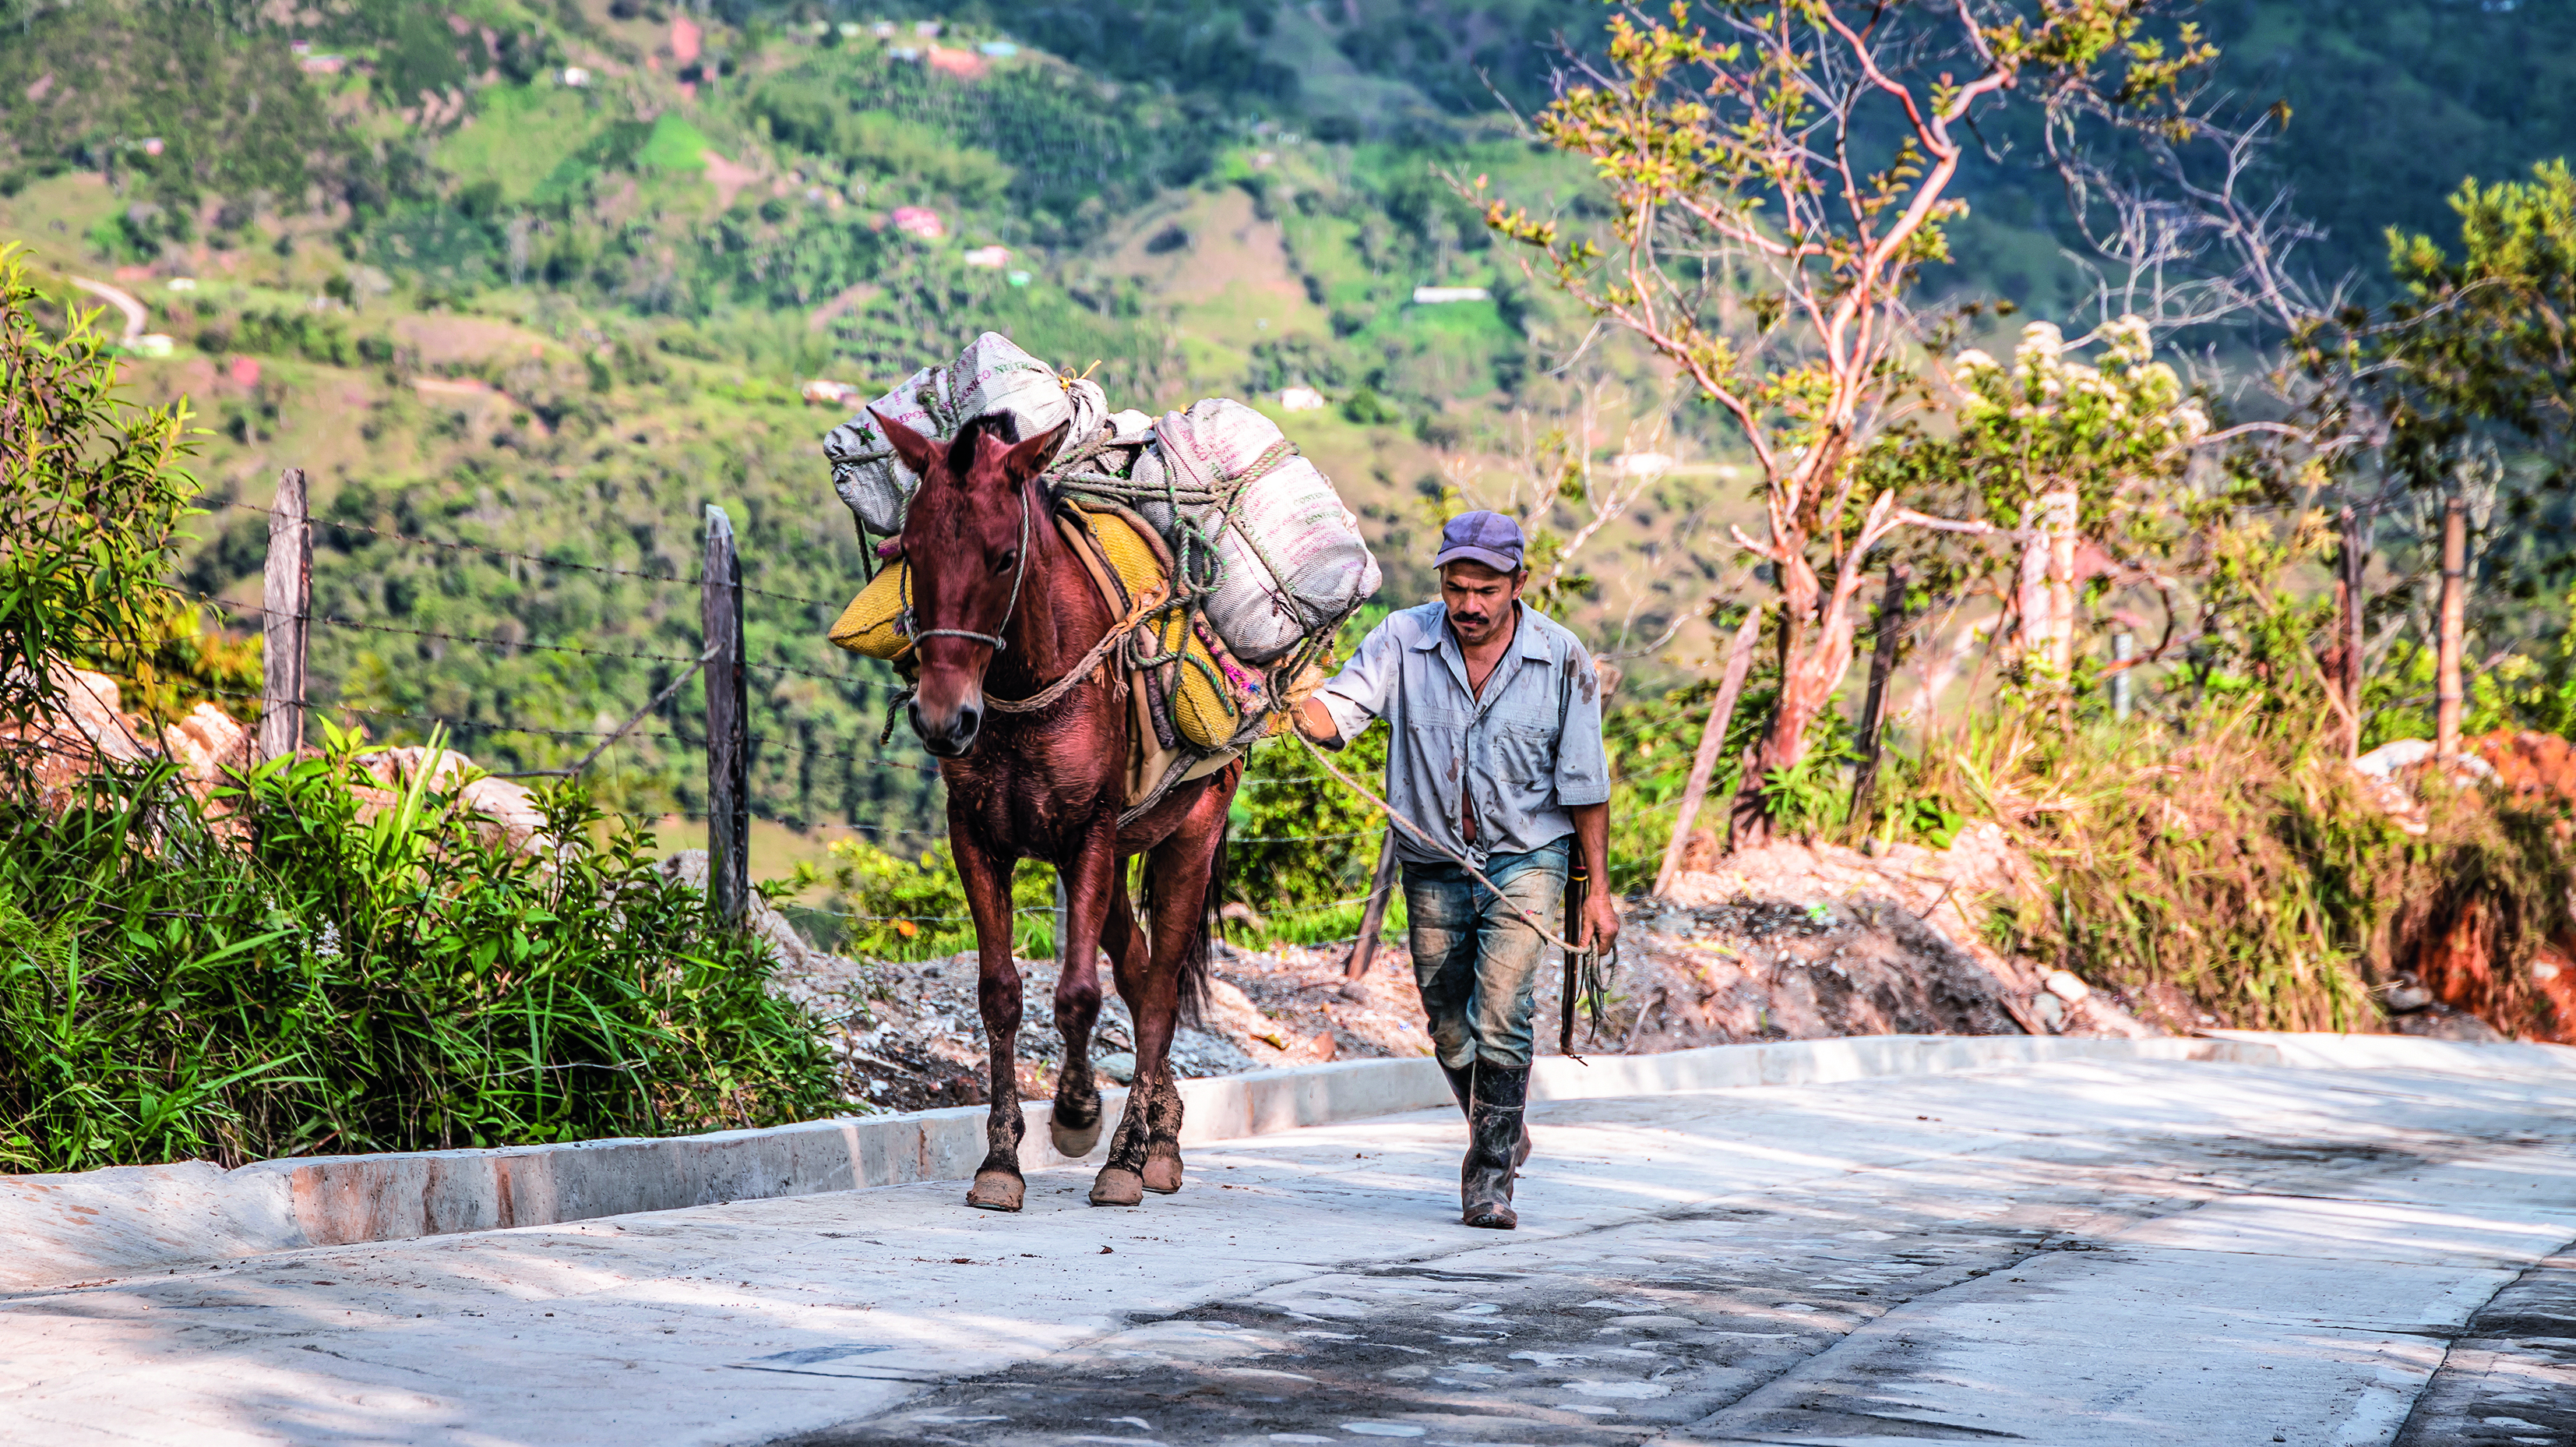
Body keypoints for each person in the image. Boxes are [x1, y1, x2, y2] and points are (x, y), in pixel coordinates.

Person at [1292, 510, 1619, 1230]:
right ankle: (1501, 1122)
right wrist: (1284, 701)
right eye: (1456, 586)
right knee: (1448, 1025)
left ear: (1517, 584)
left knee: (1502, 1010)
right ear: (1440, 579)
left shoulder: (1562, 657)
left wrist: (1598, 891)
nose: (1468, 605)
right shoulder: (1402, 639)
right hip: (1433, 858)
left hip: (1527, 858)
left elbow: (1587, 787)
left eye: (1485, 589)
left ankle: (1488, 1178)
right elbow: (1338, 710)